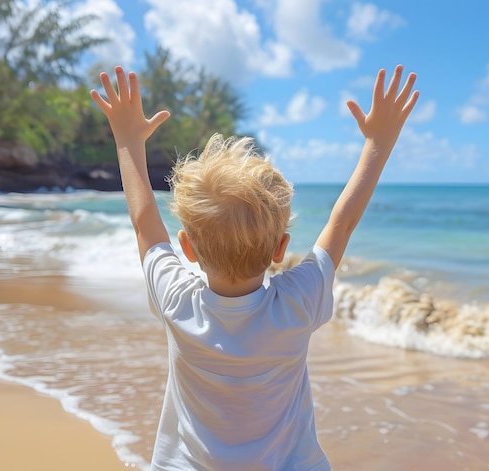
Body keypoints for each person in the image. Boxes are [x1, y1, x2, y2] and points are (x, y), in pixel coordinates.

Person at [91, 64, 418, 471]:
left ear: (188, 248)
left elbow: (144, 222)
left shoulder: (177, 301)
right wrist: (378, 143)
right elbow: (342, 222)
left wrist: (127, 139)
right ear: (281, 248)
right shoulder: (299, 302)